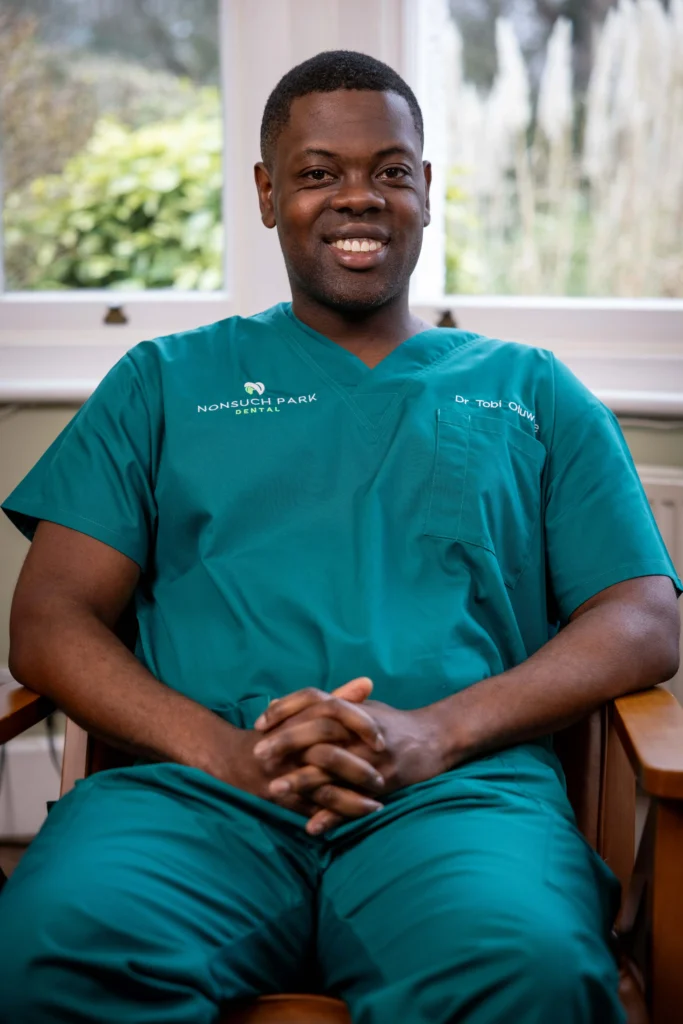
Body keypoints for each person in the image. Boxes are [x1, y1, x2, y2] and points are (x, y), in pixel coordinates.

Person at [0, 49, 679, 1024]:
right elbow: (51, 619)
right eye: (319, 173)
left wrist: (433, 733)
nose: (358, 197)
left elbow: (643, 617)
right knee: (50, 954)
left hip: (456, 796)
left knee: (525, 971)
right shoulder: (161, 381)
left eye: (389, 171)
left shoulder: (532, 392)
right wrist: (229, 753)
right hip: (194, 794)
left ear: (426, 193)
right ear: (269, 193)